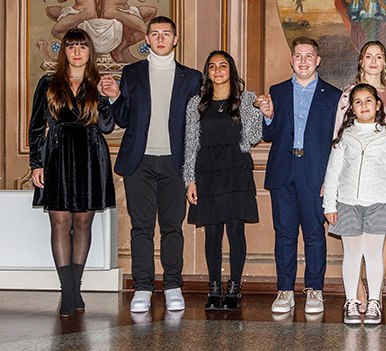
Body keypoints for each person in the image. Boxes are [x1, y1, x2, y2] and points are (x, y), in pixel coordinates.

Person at [101, 16, 202, 313]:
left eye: (166, 34)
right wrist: (115, 97)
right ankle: (143, 287)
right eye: (154, 34)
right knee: (141, 228)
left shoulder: (192, 78)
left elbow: (197, 126)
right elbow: (123, 118)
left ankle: (172, 285)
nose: (160, 38)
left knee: (172, 228)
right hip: (140, 162)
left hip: (175, 162)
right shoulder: (131, 73)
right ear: (146, 39)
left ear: (175, 39)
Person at [29, 28, 116, 317]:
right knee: (59, 222)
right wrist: (36, 163)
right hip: (57, 155)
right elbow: (36, 127)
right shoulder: (48, 82)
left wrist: (106, 97)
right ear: (64, 51)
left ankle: (74, 288)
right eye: (71, 46)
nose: (77, 52)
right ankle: (68, 292)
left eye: (82, 46)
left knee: (82, 223)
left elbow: (106, 126)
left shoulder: (97, 83)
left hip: (90, 155)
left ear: (90, 51)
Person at [257, 37, 341, 315]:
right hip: (284, 169)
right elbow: (269, 135)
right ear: (291, 60)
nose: (303, 61)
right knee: (284, 234)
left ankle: (314, 290)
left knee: (315, 234)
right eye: (298, 56)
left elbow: (337, 140)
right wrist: (268, 116)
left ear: (317, 61)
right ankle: (285, 290)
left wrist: (331, 179)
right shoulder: (278, 91)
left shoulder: (333, 95)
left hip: (315, 173)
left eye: (309, 56)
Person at [183, 51, 262, 311]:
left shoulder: (246, 99)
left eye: (223, 65)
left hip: (236, 170)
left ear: (231, 70)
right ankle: (214, 288)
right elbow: (191, 144)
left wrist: (257, 111)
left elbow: (253, 137)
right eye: (212, 66)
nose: (217, 70)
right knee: (213, 233)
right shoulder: (196, 103)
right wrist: (190, 180)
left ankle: (235, 288)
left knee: (236, 231)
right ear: (207, 72)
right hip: (207, 172)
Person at [333, 40, 386, 308]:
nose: (373, 61)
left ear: (385, 61)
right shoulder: (348, 95)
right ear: (361, 61)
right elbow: (339, 134)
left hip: (384, 175)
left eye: (379, 56)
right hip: (353, 176)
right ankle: (357, 293)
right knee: (352, 239)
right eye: (368, 56)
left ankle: (377, 293)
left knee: (380, 238)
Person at [323, 83, 386, 325]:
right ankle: (351, 301)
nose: (364, 105)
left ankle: (374, 302)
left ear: (378, 105)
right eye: (358, 102)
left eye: (368, 100)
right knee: (352, 254)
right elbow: (333, 172)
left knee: (373, 255)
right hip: (348, 203)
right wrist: (330, 204)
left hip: (378, 203)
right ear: (352, 108)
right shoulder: (345, 137)